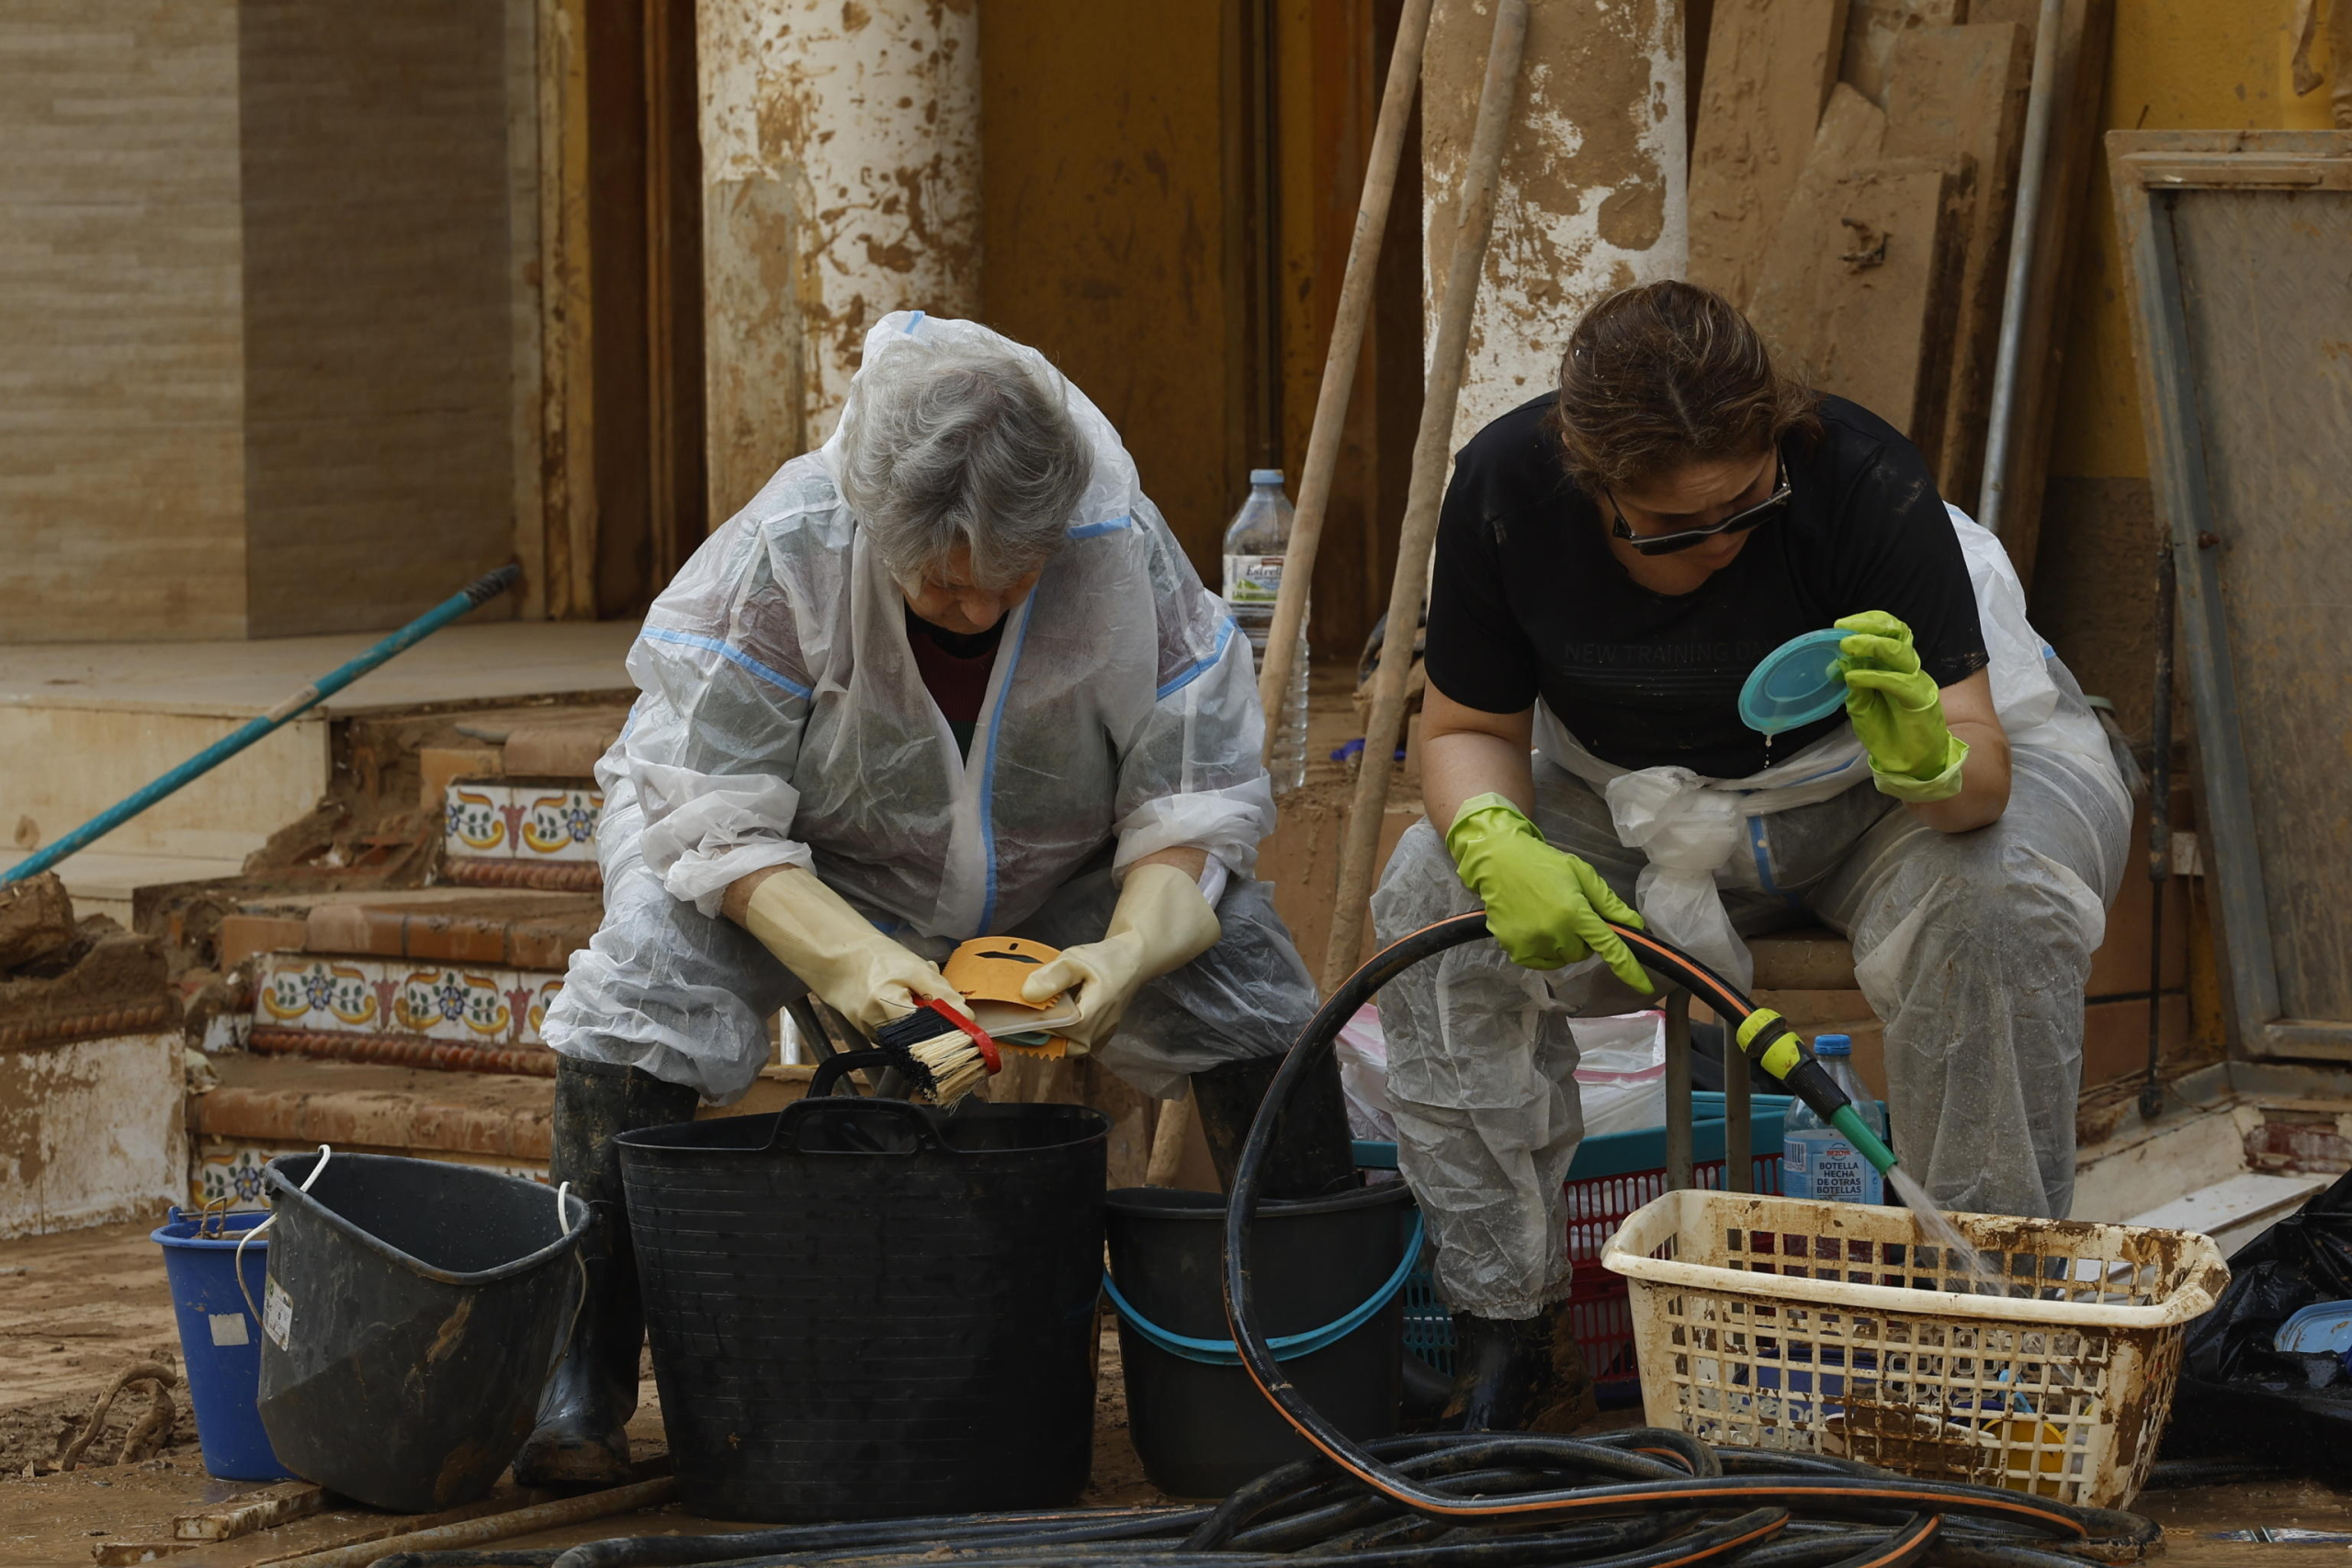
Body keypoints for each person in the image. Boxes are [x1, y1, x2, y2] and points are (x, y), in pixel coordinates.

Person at [517, 312, 1355, 1486]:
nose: (967, 608)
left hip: (1062, 866)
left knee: (1258, 1001)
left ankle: (1327, 1349)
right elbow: (709, 807)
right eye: (936, 586)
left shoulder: (1117, 548)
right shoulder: (797, 540)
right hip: (811, 865)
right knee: (639, 983)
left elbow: (1194, 801)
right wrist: (848, 960)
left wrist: (1123, 956)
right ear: (875, 530)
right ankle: (579, 1384)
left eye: (999, 586)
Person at [1370, 280, 2133, 1433]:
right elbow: (1469, 731)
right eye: (1676, 528)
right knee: (1430, 897)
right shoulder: (1505, 492)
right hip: (1630, 805)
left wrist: (1927, 758)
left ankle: (1991, 1339)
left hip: (1877, 806)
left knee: (1996, 908)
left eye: (1746, 503)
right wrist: (1490, 838)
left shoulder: (1861, 480)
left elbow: (1979, 781)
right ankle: (1509, 1330)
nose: (1724, 544)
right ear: (1591, 482)